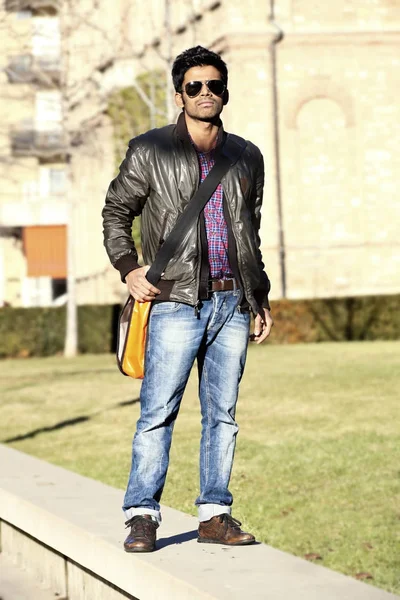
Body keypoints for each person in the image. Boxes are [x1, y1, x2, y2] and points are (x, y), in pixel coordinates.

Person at [102, 45, 273, 553]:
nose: (205, 93)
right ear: (179, 94)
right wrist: (129, 269)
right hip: (174, 301)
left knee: (223, 414)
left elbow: (250, 232)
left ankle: (214, 514)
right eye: (194, 85)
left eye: (214, 85)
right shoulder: (150, 149)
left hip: (231, 305)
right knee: (157, 412)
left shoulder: (246, 155)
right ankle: (142, 515)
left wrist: (258, 295)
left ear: (225, 92)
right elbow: (116, 214)